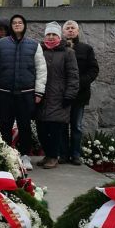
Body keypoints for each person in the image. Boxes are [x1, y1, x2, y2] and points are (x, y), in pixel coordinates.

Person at [0, 14, 47, 171]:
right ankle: (6, 156)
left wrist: (39, 92)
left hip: (26, 94)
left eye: (20, 22)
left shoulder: (34, 45)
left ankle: (25, 156)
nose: (17, 25)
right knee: (5, 125)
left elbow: (41, 69)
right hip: (4, 93)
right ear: (10, 26)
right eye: (14, 23)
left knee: (25, 126)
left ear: (24, 25)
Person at [36, 22, 79, 169]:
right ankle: (48, 155)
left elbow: (73, 76)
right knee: (41, 130)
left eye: (54, 34)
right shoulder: (39, 51)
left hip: (59, 98)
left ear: (59, 37)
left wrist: (69, 95)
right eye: (48, 34)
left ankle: (53, 157)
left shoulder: (68, 52)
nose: (51, 37)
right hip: (42, 97)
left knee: (54, 130)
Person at [61, 20, 99, 165]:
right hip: (62, 95)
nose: (70, 30)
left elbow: (93, 70)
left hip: (80, 95)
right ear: (63, 32)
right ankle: (63, 154)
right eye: (68, 28)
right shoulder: (59, 48)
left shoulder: (86, 49)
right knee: (62, 126)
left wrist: (79, 83)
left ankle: (76, 154)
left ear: (77, 31)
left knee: (76, 126)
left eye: (73, 28)